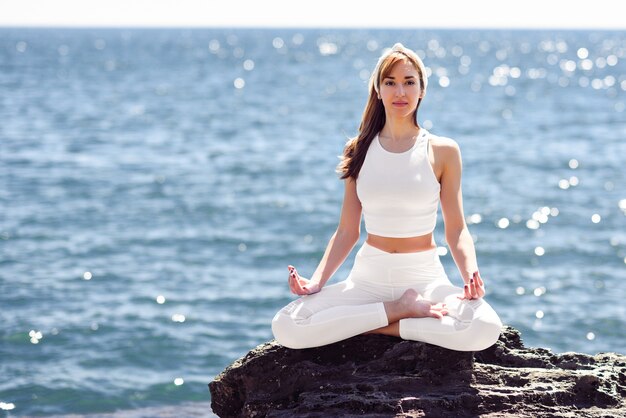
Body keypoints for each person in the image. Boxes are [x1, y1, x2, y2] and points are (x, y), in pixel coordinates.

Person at [271, 42, 502, 351]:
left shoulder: (443, 151)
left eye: (409, 82)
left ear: (422, 90)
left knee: (484, 328)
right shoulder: (359, 150)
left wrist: (470, 276)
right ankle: (397, 312)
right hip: (367, 280)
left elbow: (457, 229)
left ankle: (376, 325)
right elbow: (347, 230)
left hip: (425, 279)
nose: (400, 92)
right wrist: (316, 283)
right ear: (378, 90)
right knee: (287, 326)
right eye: (390, 83)